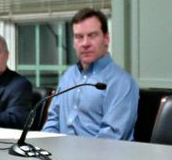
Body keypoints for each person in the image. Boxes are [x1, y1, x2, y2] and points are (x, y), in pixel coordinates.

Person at [42, 8, 139, 140]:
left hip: (99, 152)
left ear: (106, 39)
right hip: (59, 150)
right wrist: (45, 146)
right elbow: (53, 121)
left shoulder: (122, 82)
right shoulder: (68, 76)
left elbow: (112, 138)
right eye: (79, 37)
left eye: (92, 35)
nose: (85, 43)